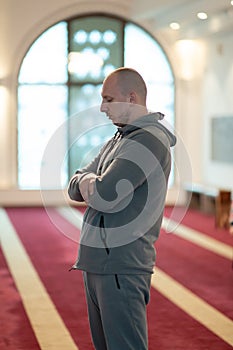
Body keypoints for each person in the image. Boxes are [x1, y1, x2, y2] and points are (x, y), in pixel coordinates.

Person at [68, 67, 176, 350]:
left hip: (121, 263)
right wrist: (89, 181)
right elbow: (73, 185)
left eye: (108, 98)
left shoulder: (148, 141)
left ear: (130, 98)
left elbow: (105, 194)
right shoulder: (120, 138)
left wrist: (90, 182)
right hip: (99, 262)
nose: (102, 107)